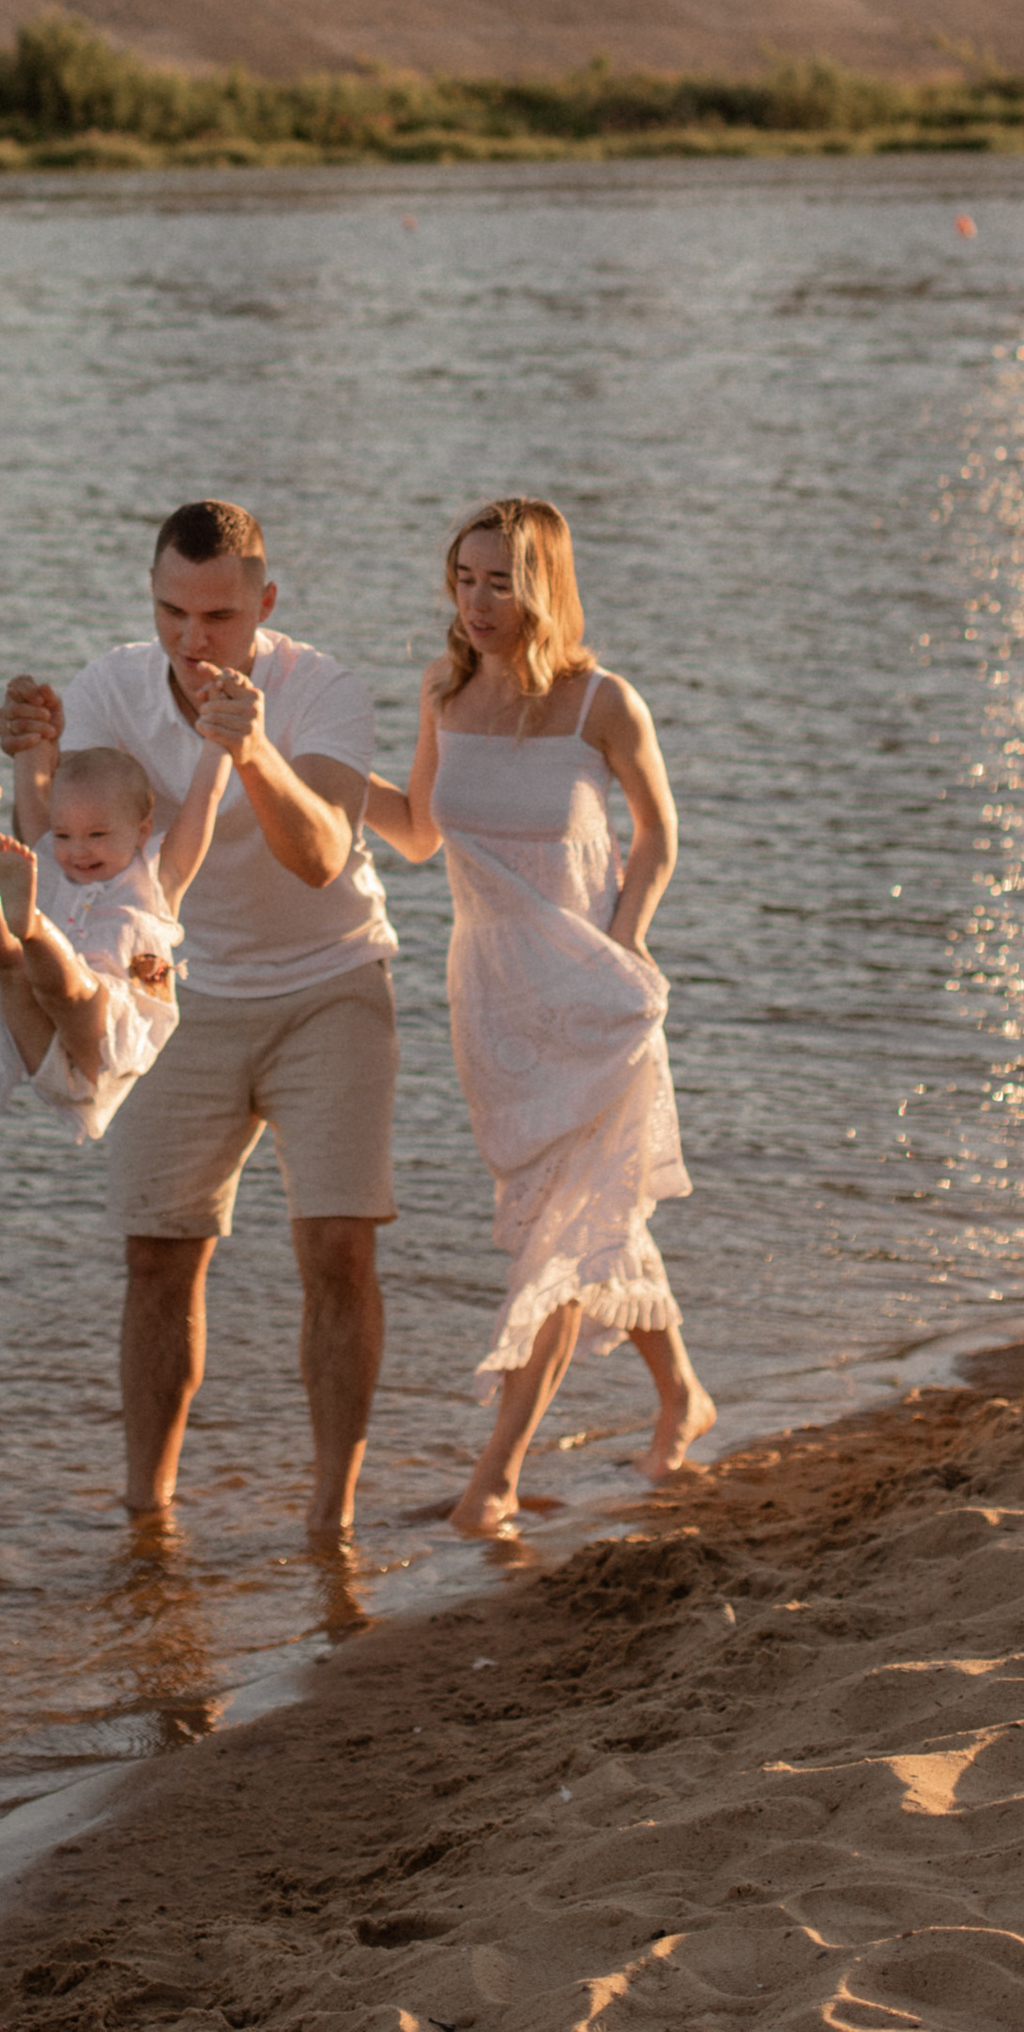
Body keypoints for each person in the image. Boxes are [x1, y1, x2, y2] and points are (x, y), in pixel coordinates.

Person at [0, 499, 393, 1541]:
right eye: (171, 610)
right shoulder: (111, 689)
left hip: (330, 982)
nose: (190, 639)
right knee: (156, 1255)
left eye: (216, 617)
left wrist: (253, 751)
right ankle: (146, 1517)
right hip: (177, 993)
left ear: (263, 605)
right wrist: (27, 761)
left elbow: (320, 860)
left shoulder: (321, 691)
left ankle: (329, 1519)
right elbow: (60, 854)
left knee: (338, 1248)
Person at [367, 497, 713, 1534]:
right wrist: (321, 781)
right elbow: (422, 833)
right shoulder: (442, 688)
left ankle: (496, 1482)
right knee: (589, 1217)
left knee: (562, 1240)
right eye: (463, 579)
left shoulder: (598, 701)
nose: (475, 602)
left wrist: (632, 931)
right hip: (492, 1003)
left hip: (590, 996)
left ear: (542, 584)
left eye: (499, 581)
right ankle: (683, 1395)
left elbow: (657, 831)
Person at [0, 736, 228, 1142]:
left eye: (96, 835)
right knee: (33, 975)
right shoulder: (50, 866)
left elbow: (206, 799)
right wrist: (31, 745)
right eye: (63, 836)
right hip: (94, 1052)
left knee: (15, 966)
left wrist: (220, 743)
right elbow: (36, 795)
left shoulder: (156, 881)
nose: (77, 851)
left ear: (142, 831)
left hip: (75, 1029)